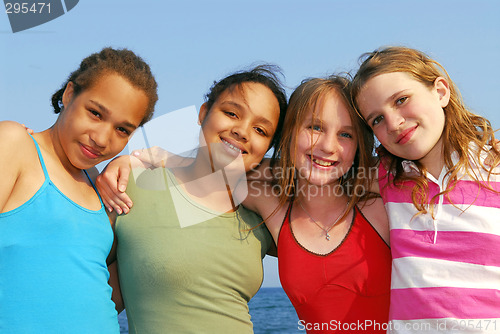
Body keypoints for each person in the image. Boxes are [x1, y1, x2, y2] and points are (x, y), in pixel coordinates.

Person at [101, 76, 391, 333]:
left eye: (346, 134)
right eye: (315, 127)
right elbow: (227, 165)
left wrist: (166, 156)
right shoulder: (267, 205)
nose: (328, 145)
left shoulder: (378, 195)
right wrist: (145, 159)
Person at [98, 65, 288, 333]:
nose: (242, 131)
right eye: (231, 113)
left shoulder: (262, 212)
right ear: (203, 113)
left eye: (260, 130)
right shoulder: (133, 185)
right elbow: (92, 292)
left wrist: (265, 200)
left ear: (267, 148)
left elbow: (319, 269)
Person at [0, 47, 158, 333]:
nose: (101, 138)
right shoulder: (15, 144)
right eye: (95, 113)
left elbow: (100, 287)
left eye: (122, 130)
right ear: (69, 94)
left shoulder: (103, 187)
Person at [350, 46, 500, 333]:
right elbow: (306, 172)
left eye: (401, 100)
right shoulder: (385, 178)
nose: (393, 123)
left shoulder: (495, 167)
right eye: (376, 119)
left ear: (440, 91)